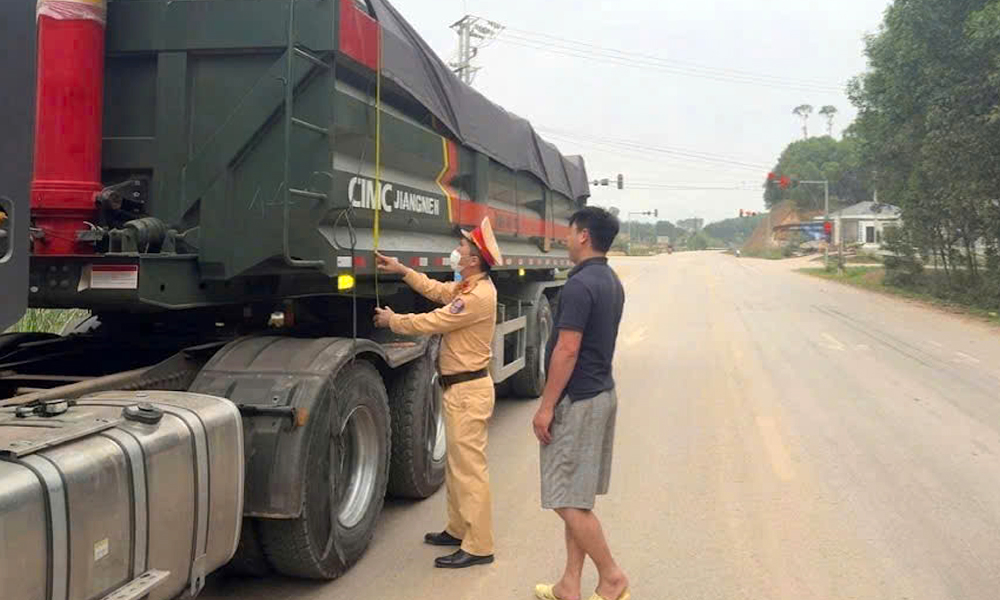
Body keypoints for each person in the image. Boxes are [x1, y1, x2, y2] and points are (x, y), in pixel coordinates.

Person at [373, 217, 502, 569]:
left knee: (469, 470)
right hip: (461, 389)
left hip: (468, 391)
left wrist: (394, 321)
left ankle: (479, 546)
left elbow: (435, 321)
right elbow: (437, 290)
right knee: (457, 468)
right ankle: (459, 529)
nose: (457, 250)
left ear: (473, 259)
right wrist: (403, 270)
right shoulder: (468, 287)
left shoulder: (477, 297)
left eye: (462, 246)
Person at [532, 206, 630, 600]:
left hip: (580, 401)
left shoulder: (578, 285)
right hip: (602, 393)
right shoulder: (610, 280)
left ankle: (612, 577)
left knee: (563, 497)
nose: (566, 238)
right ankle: (569, 585)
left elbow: (567, 349)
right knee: (576, 495)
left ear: (584, 236)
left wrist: (546, 407)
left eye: (570, 231)